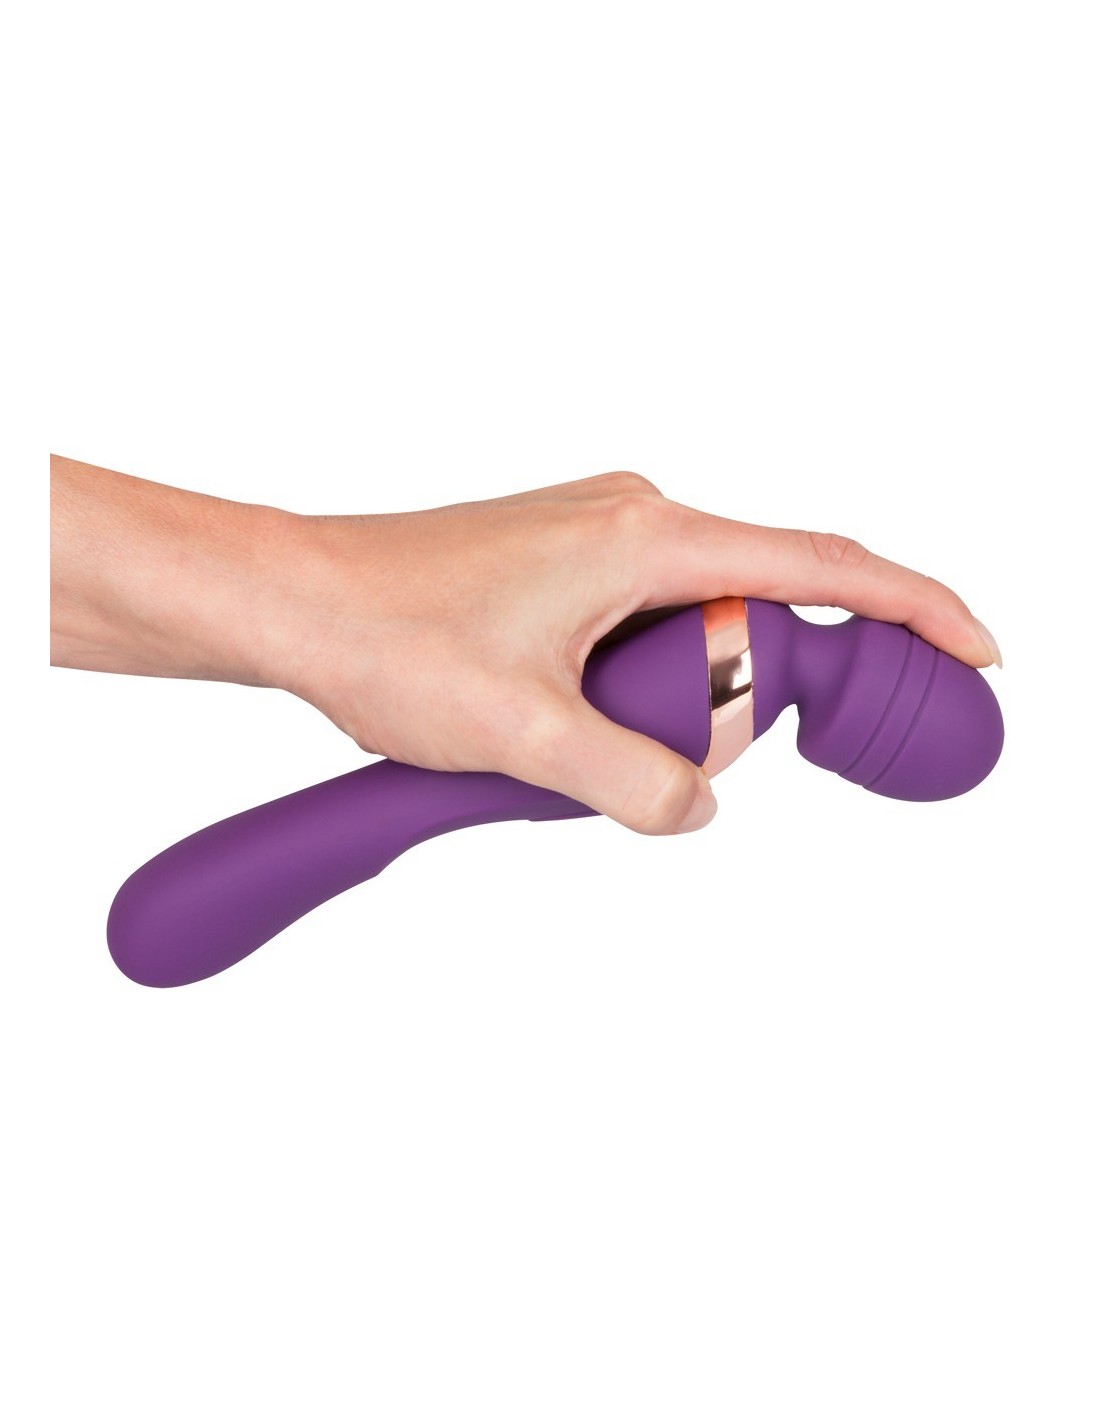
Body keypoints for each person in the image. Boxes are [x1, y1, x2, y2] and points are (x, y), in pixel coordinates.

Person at [50, 455, 1001, 835]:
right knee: (395, 812)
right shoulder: (741, 668)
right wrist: (311, 592)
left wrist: (305, 589)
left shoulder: (743, 651)